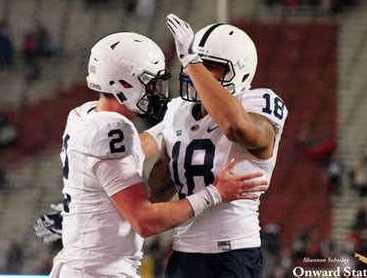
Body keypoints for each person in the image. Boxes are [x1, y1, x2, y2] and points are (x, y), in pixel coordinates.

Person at [44, 32, 268, 277]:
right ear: (124, 83)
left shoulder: (83, 115)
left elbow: (141, 146)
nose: (156, 91)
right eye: (150, 83)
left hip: (82, 265)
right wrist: (215, 193)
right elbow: (145, 220)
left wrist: (76, 208)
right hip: (98, 270)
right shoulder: (115, 131)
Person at [144, 14, 288, 277]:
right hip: (183, 253)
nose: (196, 72)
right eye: (198, 62)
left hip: (233, 254)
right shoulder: (178, 110)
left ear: (239, 70)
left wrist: (192, 59)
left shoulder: (258, 103)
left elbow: (236, 127)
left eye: (212, 65)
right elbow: (157, 194)